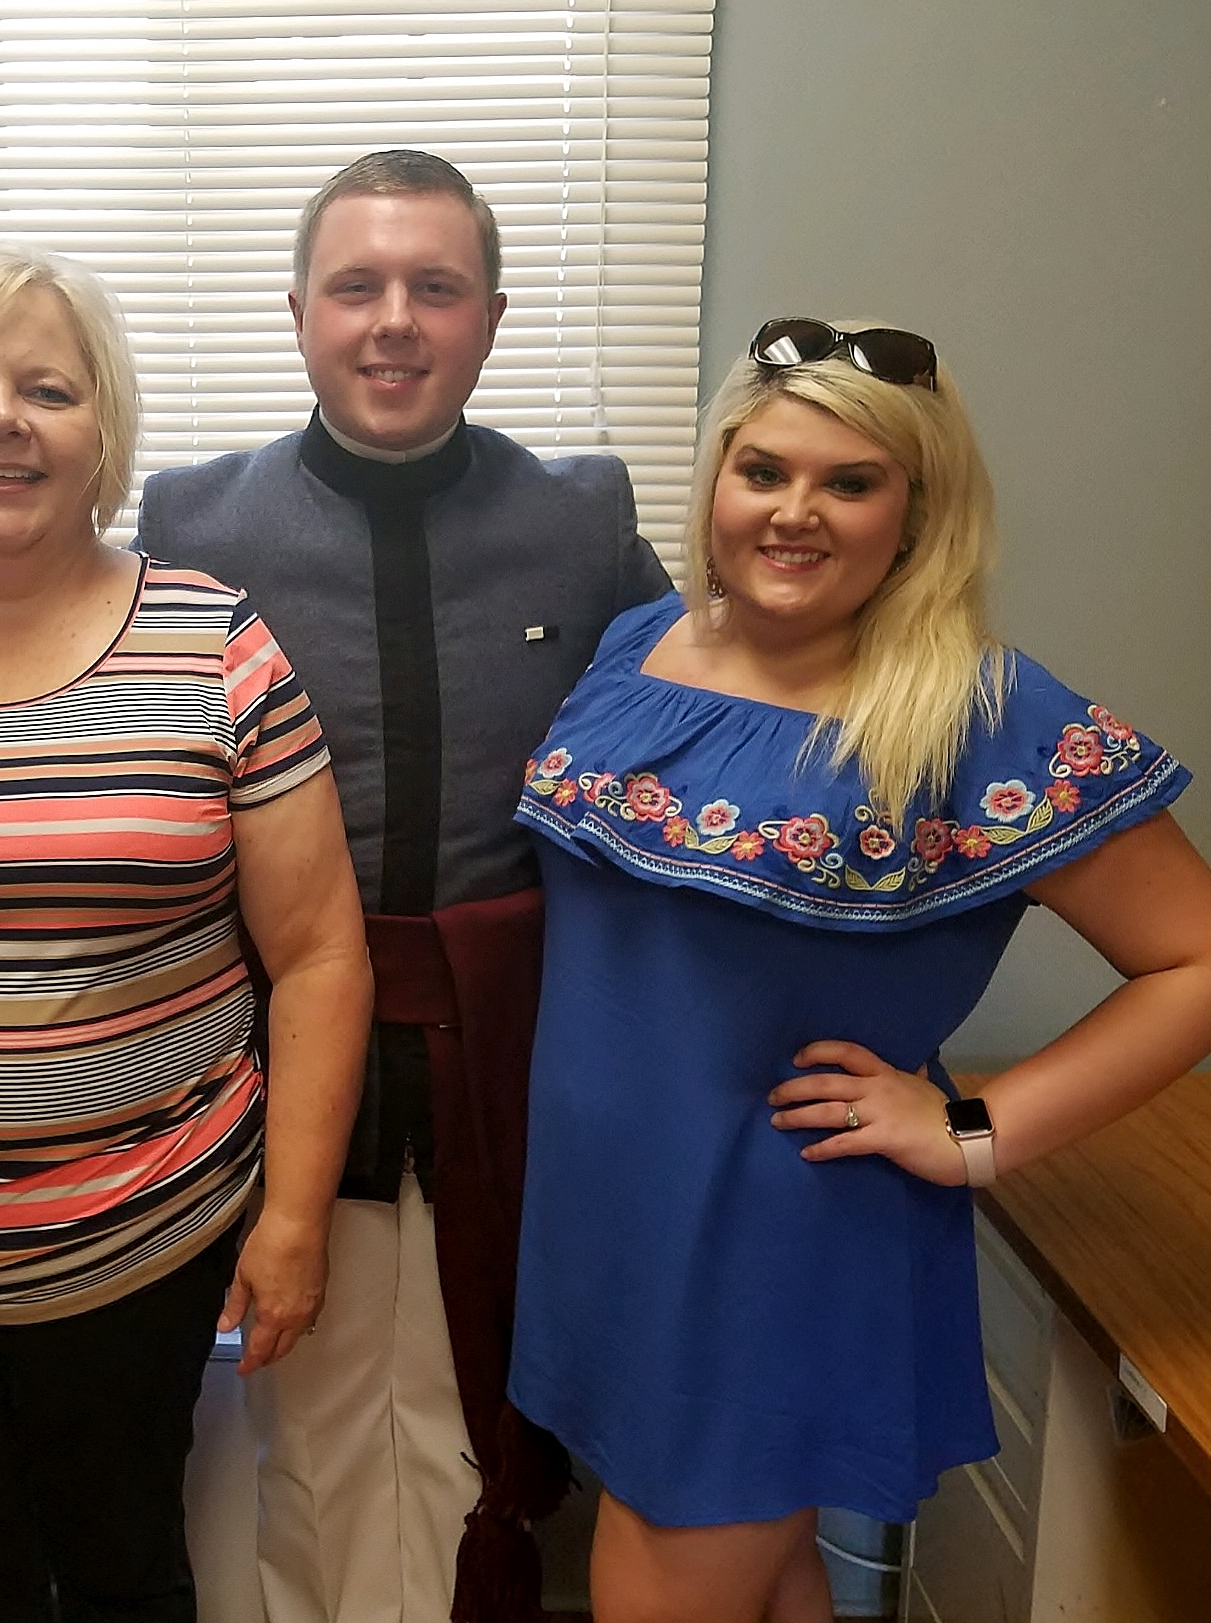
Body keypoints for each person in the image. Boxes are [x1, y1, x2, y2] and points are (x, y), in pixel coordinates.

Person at [508, 317, 1211, 1623]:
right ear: (714, 477)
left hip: (776, 1249)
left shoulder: (984, 712)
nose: (793, 513)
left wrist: (971, 1127)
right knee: (768, 1573)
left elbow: (1194, 958)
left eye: (848, 482)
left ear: (916, 511)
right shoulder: (631, 651)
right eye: (762, 471)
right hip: (610, 1227)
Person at [0, 237, 372, 1623]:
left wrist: (290, 1220)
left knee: (123, 1573)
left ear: (100, 428)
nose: (1, 420)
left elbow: (320, 954)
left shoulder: (214, 644)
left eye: (46, 389)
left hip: (145, 1238)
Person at [136, 150, 673, 1623]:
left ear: (488, 318)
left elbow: (696, 728)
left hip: (514, 1054)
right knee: (274, 1432)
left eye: (433, 288)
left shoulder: (581, 516)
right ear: (296, 311)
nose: (393, 322)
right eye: (356, 286)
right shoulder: (187, 524)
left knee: (468, 1418)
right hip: (267, 1051)